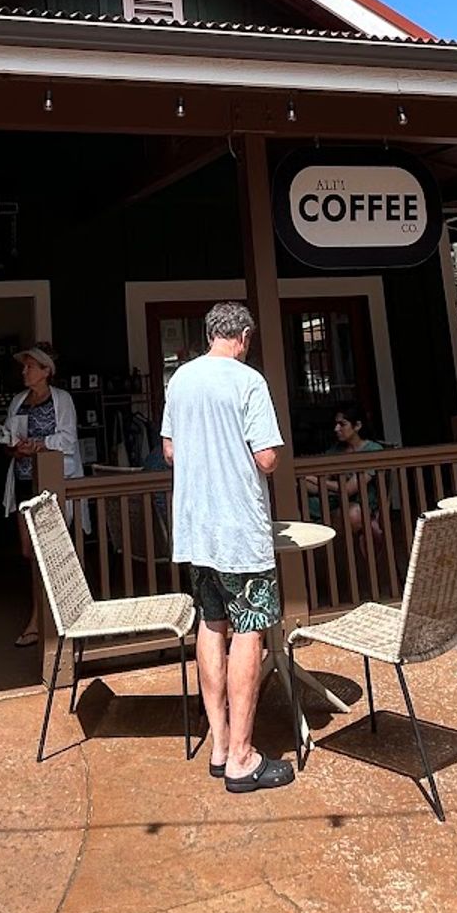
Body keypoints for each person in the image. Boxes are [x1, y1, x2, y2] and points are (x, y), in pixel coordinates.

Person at [161, 301, 294, 795]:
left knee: (211, 624)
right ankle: (242, 758)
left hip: (197, 529)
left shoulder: (180, 381)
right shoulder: (247, 381)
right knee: (250, 630)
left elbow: (170, 450)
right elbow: (266, 459)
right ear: (243, 338)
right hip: (239, 529)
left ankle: (218, 746)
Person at [0, 344, 81, 648]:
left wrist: (37, 444)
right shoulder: (19, 402)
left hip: (53, 481)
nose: (25, 371)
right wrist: (12, 446)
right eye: (24, 367)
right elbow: (8, 438)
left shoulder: (62, 400)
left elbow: (68, 439)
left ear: (46, 371)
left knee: (53, 550)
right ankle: (48, 613)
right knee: (30, 552)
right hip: (24, 481)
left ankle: (43, 619)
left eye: (30, 366)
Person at [326, 403, 386, 538]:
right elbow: (322, 479)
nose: (336, 429)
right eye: (336, 424)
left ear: (357, 426)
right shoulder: (336, 449)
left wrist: (316, 481)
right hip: (333, 501)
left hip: (362, 504)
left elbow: (349, 488)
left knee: (353, 514)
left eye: (342, 424)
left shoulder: (372, 450)